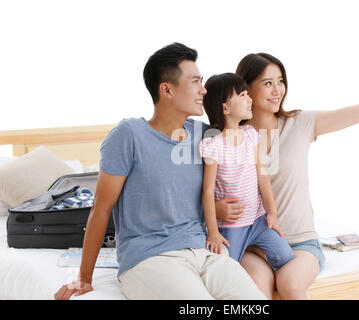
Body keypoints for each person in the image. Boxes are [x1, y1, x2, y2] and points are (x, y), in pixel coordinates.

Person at [54, 43, 266, 300]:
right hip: (151, 257)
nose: (204, 89)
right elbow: (101, 208)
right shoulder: (129, 135)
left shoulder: (205, 136)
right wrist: (84, 278)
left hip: (206, 253)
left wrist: (218, 208)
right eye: (196, 82)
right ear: (167, 89)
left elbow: (241, 152)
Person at [214, 48, 359, 299]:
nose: (278, 91)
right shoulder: (226, 137)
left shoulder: (301, 123)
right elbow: (205, 187)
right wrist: (217, 207)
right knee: (257, 288)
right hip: (253, 246)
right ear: (246, 88)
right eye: (267, 83)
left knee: (290, 284)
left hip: (300, 244)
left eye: (280, 82)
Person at [199, 73, 294, 271]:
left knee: (285, 256)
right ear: (225, 107)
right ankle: (245, 248)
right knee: (226, 269)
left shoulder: (250, 134)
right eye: (243, 95)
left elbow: (262, 176)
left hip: (257, 219)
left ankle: (252, 248)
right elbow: (207, 191)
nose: (250, 99)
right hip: (232, 226)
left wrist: (272, 213)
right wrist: (213, 232)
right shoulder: (213, 145)